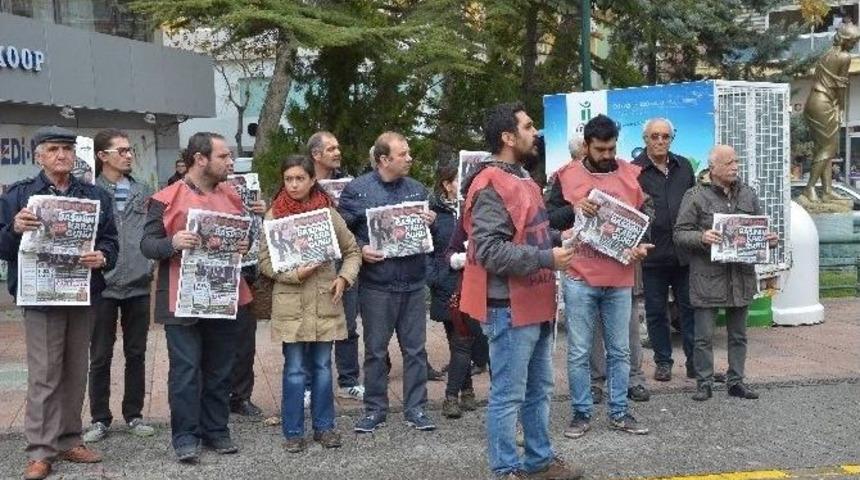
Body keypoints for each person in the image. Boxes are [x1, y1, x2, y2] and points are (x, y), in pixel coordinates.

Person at [462, 102, 582, 479]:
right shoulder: (488, 184)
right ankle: (505, 470)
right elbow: (491, 251)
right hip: (508, 306)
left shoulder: (524, 178)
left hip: (536, 301)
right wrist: (548, 257)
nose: (536, 133)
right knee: (508, 395)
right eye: (529, 127)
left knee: (538, 390)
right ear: (507, 137)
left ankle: (539, 461)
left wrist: (567, 237)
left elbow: (532, 233)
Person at [0, 126, 118, 480]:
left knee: (74, 370)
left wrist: (103, 257)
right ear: (39, 155)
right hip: (40, 298)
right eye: (53, 149)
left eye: (67, 149)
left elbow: (111, 241)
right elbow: (1, 246)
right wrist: (13, 230)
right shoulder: (18, 196)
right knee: (45, 374)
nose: (61, 155)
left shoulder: (96, 196)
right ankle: (40, 449)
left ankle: (69, 439)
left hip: (81, 293)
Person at [140, 132, 251, 462]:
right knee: (186, 370)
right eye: (224, 156)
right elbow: (147, 245)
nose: (230, 162)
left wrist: (242, 246)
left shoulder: (232, 196)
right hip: (180, 297)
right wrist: (173, 242)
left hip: (222, 293)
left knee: (220, 368)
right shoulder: (165, 198)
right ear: (200, 159)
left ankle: (216, 429)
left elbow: (243, 236)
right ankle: (185, 435)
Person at [552, 114, 653, 440]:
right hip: (580, 275)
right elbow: (547, 217)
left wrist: (640, 244)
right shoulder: (566, 176)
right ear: (586, 146)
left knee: (620, 350)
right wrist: (575, 207)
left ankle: (619, 412)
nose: (608, 155)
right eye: (600, 149)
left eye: (611, 148)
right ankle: (581, 414)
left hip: (620, 276)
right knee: (580, 350)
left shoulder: (630, 173)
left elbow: (647, 216)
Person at [258, 154, 361, 452]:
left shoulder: (328, 213)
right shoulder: (274, 215)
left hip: (325, 302)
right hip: (290, 305)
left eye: (299, 178)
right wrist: (294, 274)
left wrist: (343, 278)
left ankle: (324, 427)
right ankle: (292, 431)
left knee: (322, 367)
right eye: (288, 179)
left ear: (312, 180)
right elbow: (265, 262)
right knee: (293, 369)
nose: (293, 185)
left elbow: (352, 251)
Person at [339, 131, 438, 433]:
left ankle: (416, 409)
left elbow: (435, 236)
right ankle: (375, 409)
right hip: (377, 285)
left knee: (416, 351)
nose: (410, 158)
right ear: (384, 159)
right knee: (376, 352)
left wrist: (432, 222)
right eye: (403, 154)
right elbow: (340, 231)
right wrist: (360, 247)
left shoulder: (418, 189)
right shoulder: (357, 190)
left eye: (408, 153)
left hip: (412, 282)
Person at [673, 145, 779, 401]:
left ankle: (736, 381)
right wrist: (702, 236)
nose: (735, 167)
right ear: (714, 168)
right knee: (703, 337)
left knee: (739, 335)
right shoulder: (695, 195)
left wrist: (768, 240)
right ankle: (704, 382)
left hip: (740, 276)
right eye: (729, 162)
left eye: (737, 162)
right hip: (707, 277)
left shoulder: (748, 195)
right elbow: (679, 233)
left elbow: (758, 229)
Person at [83, 129, 156, 444]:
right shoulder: (88, 193)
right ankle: (100, 418)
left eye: (130, 150)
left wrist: (149, 264)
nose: (129, 155)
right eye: (122, 150)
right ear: (102, 156)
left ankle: (134, 413)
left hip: (138, 284)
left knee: (136, 353)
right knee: (99, 355)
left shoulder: (145, 191)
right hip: (102, 286)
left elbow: (155, 231)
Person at [631, 118, 697, 382]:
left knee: (689, 309)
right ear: (645, 139)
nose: (660, 141)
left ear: (672, 138)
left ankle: (695, 363)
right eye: (655, 136)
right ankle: (663, 362)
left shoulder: (684, 166)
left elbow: (695, 203)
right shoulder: (633, 170)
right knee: (656, 311)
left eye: (665, 137)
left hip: (684, 251)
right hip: (652, 253)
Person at [307, 131, 365, 402]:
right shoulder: (299, 181)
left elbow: (358, 219)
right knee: (312, 325)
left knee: (348, 323)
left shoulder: (350, 185)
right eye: (331, 148)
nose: (337, 152)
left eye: (338, 147)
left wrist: (341, 212)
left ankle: (348, 381)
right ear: (315, 155)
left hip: (344, 260)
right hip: (312, 265)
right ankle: (309, 385)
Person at [802, 23, 860, 202]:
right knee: (829, 147)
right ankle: (810, 188)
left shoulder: (826, 55)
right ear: (846, 40)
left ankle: (826, 190)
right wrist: (841, 108)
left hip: (813, 101)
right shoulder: (844, 57)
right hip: (824, 103)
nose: (855, 44)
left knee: (823, 148)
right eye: (854, 41)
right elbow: (841, 86)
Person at [227, 165, 267, 418]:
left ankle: (241, 397)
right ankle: (216, 396)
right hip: (211, 273)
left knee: (244, 339)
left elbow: (260, 235)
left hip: (245, 272)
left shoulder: (249, 190)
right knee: (214, 342)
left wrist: (262, 214)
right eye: (223, 157)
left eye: (230, 158)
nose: (229, 163)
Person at [427, 164, 459, 392]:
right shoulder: (434, 213)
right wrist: (435, 277)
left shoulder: (474, 207)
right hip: (446, 280)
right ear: (447, 185)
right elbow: (428, 250)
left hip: (473, 280)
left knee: (471, 337)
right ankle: (456, 393)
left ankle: (463, 388)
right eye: (458, 179)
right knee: (455, 336)